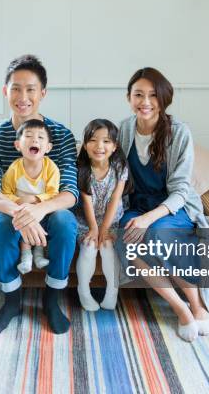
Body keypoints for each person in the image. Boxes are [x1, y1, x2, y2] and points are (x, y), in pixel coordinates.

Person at [0, 55, 78, 335]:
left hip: (49, 211)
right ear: (5, 91)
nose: (23, 97)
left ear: (42, 93)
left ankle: (52, 300)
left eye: (31, 89)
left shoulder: (60, 135)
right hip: (12, 211)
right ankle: (11, 302)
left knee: (64, 221)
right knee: (1, 222)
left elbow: (69, 192)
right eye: (16, 88)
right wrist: (22, 214)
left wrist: (38, 210)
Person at [117, 67, 209, 342]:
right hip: (136, 205)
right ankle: (180, 309)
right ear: (128, 98)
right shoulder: (124, 129)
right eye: (138, 94)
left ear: (163, 99)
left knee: (158, 234)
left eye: (152, 95)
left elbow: (182, 190)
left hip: (173, 207)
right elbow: (115, 176)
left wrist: (149, 218)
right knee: (126, 239)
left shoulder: (180, 133)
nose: (145, 102)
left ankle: (197, 305)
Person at [74, 119, 129, 311]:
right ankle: (84, 292)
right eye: (93, 140)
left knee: (107, 246)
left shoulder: (120, 167)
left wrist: (104, 229)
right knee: (89, 246)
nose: (99, 146)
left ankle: (112, 292)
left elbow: (115, 199)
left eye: (106, 141)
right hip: (85, 220)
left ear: (114, 146)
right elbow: (86, 201)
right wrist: (94, 229)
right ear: (85, 144)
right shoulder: (81, 169)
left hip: (111, 218)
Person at [0, 119, 59, 273]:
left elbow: (53, 193)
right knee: (23, 224)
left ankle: (38, 255)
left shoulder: (51, 168)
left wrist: (34, 200)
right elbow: (5, 192)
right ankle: (26, 257)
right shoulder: (14, 169)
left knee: (42, 226)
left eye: (40, 137)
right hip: (20, 210)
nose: (34, 140)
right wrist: (20, 202)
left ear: (48, 147)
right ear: (18, 145)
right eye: (28, 136)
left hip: (41, 210)